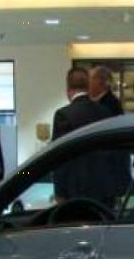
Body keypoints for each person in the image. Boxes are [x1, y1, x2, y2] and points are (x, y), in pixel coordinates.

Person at [52, 67, 124, 208]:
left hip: (76, 192)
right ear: (87, 86)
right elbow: (116, 151)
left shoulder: (64, 115)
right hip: (105, 190)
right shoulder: (105, 112)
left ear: (68, 88)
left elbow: (59, 156)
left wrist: (59, 191)